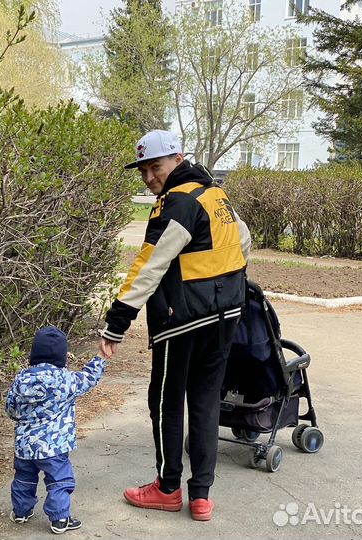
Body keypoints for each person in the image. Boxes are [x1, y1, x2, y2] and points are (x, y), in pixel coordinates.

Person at [99, 130, 251, 521]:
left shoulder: (175, 203)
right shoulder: (214, 194)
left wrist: (117, 322)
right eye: (144, 170)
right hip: (226, 314)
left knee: (166, 399)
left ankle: (168, 489)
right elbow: (243, 242)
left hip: (182, 321)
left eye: (156, 167)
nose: (149, 177)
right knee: (204, 400)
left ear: (178, 159)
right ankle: (201, 496)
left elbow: (149, 265)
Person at [6, 326, 107, 534]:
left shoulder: (21, 379)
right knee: (59, 480)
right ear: (62, 356)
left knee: (24, 477)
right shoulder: (66, 380)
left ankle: (20, 512)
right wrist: (101, 357)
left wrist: (22, 420)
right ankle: (60, 519)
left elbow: (11, 408)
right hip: (54, 446)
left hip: (25, 445)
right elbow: (89, 378)